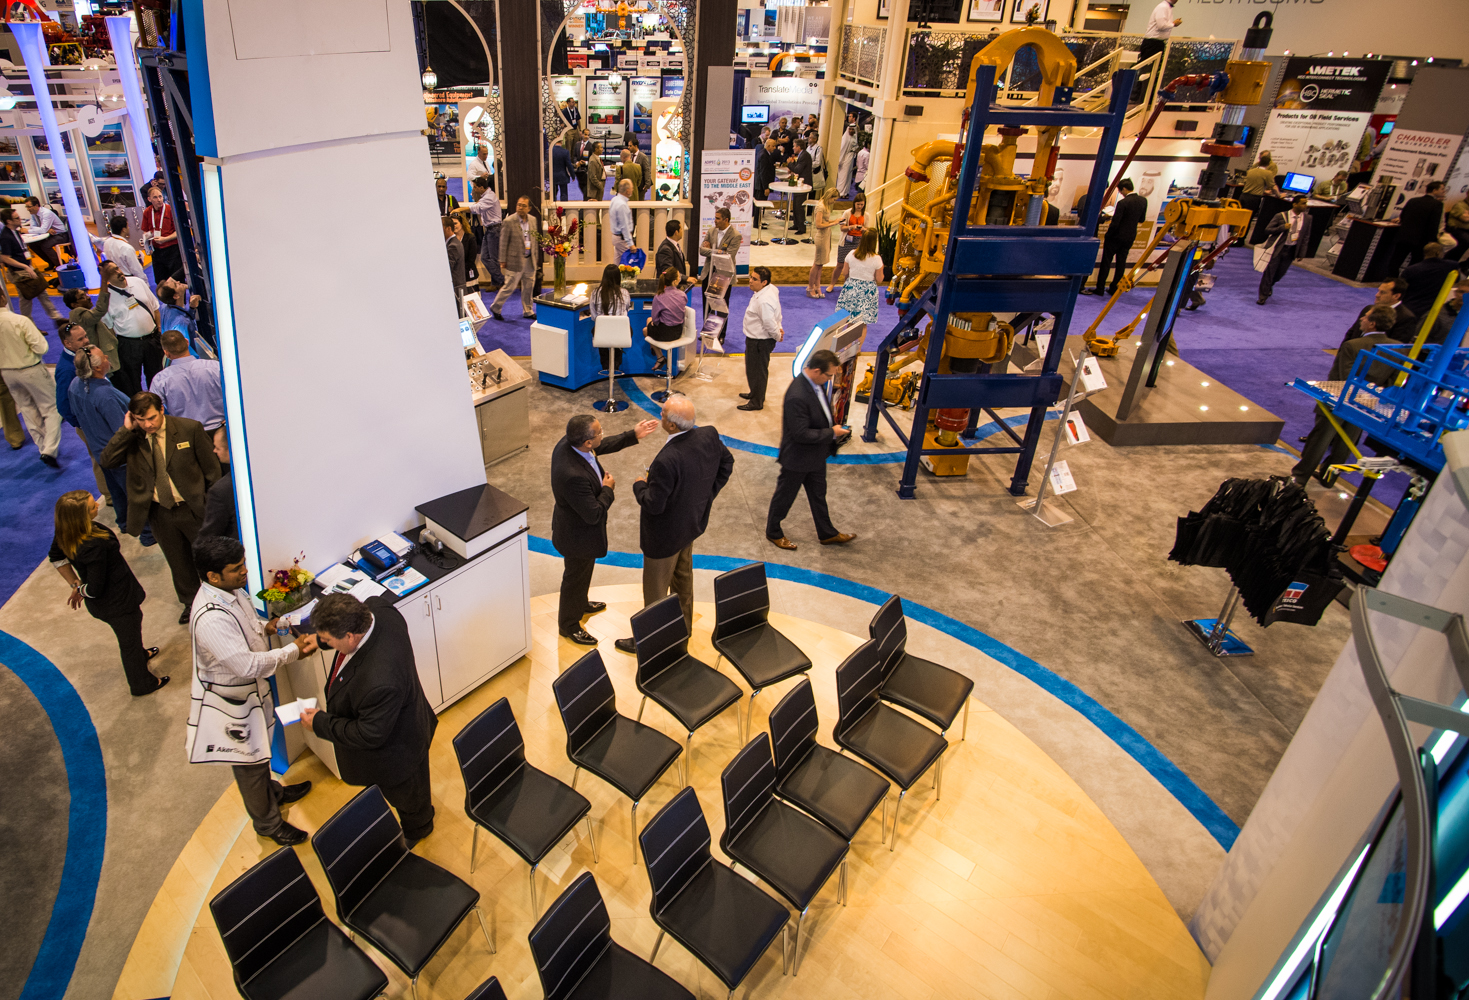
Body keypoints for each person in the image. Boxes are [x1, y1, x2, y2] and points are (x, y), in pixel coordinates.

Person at [189, 535, 317, 846]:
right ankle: (268, 824)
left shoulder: (232, 591)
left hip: (253, 695)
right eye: (236, 568)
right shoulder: (210, 619)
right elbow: (245, 665)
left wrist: (267, 627)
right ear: (213, 576)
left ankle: (273, 793)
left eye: (243, 564)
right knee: (249, 764)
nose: (245, 571)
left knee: (260, 754)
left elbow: (247, 626)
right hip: (233, 702)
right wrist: (293, 652)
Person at [300, 592, 439, 846]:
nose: (325, 643)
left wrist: (320, 723)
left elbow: (368, 733)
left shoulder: (379, 680)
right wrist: (320, 641)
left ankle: (419, 830)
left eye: (328, 640)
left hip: (398, 750)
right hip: (406, 714)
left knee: (409, 798)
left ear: (350, 636)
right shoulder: (378, 610)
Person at [613, 395, 735, 652]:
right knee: (683, 583)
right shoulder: (709, 435)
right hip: (689, 527)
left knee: (655, 594)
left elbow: (653, 504)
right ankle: (683, 631)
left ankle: (652, 645)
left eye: (663, 413)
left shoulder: (666, 460)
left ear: (671, 425)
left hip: (663, 539)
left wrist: (639, 485)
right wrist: (706, 496)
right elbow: (727, 463)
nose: (660, 415)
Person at [100, 390, 221, 623]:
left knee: (209, 557)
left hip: (194, 509)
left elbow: (212, 470)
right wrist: (126, 430)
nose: (148, 424)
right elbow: (107, 460)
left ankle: (220, 600)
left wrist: (211, 506)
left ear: (162, 410)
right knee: (178, 561)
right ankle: (191, 603)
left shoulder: (189, 429)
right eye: (141, 419)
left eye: (152, 418)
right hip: (159, 512)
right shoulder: (133, 437)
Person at [550, 412, 659, 644]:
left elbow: (601, 445)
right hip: (577, 536)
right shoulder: (572, 475)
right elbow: (594, 514)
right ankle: (569, 625)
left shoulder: (571, 443)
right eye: (600, 432)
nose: (603, 434)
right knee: (574, 578)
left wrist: (633, 435)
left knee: (582, 573)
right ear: (587, 442)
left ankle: (580, 603)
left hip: (578, 530)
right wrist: (608, 488)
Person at [50, 490, 167, 696]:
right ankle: (142, 684)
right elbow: (95, 588)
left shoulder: (65, 532)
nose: (98, 504)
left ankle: (140, 655)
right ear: (80, 517)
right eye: (92, 506)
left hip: (110, 603)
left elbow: (56, 557)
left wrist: (74, 583)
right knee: (129, 642)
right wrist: (78, 588)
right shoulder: (92, 545)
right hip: (117, 602)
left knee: (131, 634)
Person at [1292, 305, 1405, 487]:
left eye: (1365, 317)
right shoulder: (1398, 349)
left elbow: (1342, 377)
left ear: (1372, 323)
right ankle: (1329, 479)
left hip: (1339, 400)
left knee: (1320, 440)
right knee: (1346, 443)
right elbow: (1392, 382)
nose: (1361, 319)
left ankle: (1300, 478)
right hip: (1367, 404)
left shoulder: (1353, 345)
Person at [766, 349, 856, 550]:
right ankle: (773, 532)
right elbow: (800, 434)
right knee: (785, 497)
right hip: (797, 459)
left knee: (818, 495)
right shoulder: (797, 395)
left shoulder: (815, 384)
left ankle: (827, 533)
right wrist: (831, 432)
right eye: (829, 375)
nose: (830, 379)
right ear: (817, 371)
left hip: (815, 455)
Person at [69, 346, 132, 521]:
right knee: (133, 495)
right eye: (103, 357)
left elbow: (75, 414)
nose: (106, 357)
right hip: (120, 456)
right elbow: (122, 429)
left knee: (116, 492)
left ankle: (124, 522)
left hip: (100, 452)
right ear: (96, 367)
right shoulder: (106, 396)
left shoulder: (75, 384)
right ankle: (146, 530)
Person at [55, 324, 113, 500]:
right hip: (89, 423)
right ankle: (109, 495)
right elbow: (63, 405)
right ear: (67, 343)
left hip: (98, 418)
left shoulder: (83, 356)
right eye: (80, 339)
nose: (86, 340)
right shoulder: (66, 369)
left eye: (85, 336)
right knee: (100, 457)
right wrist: (83, 423)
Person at [0, 303, 63, 466]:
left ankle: (43, 448)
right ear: (3, 297)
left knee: (27, 410)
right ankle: (49, 449)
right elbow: (41, 347)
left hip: (7, 372)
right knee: (52, 408)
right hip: (30, 368)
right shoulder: (19, 320)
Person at [102, 263, 162, 397]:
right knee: (132, 380)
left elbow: (155, 308)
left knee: (157, 375)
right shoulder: (107, 297)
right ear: (106, 278)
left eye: (117, 268)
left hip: (152, 339)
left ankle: (158, 401)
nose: (118, 272)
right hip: (128, 344)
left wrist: (159, 330)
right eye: (112, 272)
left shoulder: (138, 282)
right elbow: (109, 327)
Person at [1, 208, 64, 327]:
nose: (20, 219)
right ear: (9, 221)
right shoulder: (6, 237)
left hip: (27, 268)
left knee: (42, 292)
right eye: (17, 218)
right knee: (26, 298)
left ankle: (57, 317)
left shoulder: (15, 232)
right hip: (19, 272)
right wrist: (25, 267)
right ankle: (28, 325)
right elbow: (5, 258)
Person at [150, 330, 225, 430]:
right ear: (187, 342)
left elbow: (153, 409)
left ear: (166, 353)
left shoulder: (160, 380)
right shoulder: (216, 367)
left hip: (185, 432)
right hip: (220, 430)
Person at [1087, 179, 1147, 296]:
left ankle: (1100, 288)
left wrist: (1108, 234)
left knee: (1106, 262)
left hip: (1115, 237)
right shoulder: (1143, 201)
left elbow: (1115, 223)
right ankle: (1114, 288)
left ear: (1124, 189)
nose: (1120, 193)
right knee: (1121, 263)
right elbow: (1141, 219)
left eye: (1120, 191)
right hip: (1130, 236)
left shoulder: (1123, 203)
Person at [739, 266, 782, 412]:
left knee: (757, 372)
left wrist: (777, 335)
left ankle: (757, 402)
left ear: (764, 282)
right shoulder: (770, 289)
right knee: (752, 370)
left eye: (754, 279)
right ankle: (754, 392)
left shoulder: (764, 301)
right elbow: (777, 314)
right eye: (751, 277)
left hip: (759, 342)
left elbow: (769, 322)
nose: (750, 281)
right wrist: (779, 327)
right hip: (756, 340)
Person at [1257, 195, 1314, 305]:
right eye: (1303, 203)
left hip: (1291, 250)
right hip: (1278, 249)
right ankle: (1263, 296)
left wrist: (1302, 253)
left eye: (1306, 203)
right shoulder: (1281, 216)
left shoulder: (1308, 218)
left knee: (1280, 274)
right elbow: (1268, 230)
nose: (1305, 205)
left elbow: (1306, 236)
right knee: (1269, 273)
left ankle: (1270, 285)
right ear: (1295, 204)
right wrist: (1282, 227)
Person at [490, 196, 538, 321]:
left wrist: (536, 257)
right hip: (514, 260)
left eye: (523, 205)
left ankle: (528, 310)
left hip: (530, 259)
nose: (520, 207)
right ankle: (495, 307)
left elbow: (534, 240)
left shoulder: (533, 220)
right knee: (509, 287)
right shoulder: (509, 221)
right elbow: (503, 242)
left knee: (528, 287)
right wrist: (502, 260)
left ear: (529, 208)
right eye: (518, 205)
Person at [63, 274, 119, 380]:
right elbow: (100, 309)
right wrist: (104, 281)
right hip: (104, 363)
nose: (88, 297)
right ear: (74, 305)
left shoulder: (81, 314)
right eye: (82, 297)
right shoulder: (79, 314)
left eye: (86, 294)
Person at [1390, 180, 1447, 274]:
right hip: (1420, 240)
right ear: (1434, 190)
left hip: (1404, 236)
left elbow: (1403, 217)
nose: (1444, 191)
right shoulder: (1437, 204)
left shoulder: (1413, 200)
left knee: (1395, 261)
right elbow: (1434, 224)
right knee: (1415, 263)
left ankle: (1391, 278)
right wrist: (1433, 240)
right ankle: (1406, 279)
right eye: (1442, 189)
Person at [835, 228, 886, 323]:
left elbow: (845, 272)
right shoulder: (877, 258)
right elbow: (879, 279)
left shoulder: (851, 254)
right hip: (867, 291)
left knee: (849, 320)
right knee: (862, 323)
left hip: (851, 287)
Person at [1401, 242, 1462, 317]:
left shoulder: (1410, 270)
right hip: (1434, 310)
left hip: (1410, 308)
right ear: (1438, 253)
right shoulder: (1451, 266)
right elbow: (1456, 281)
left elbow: (1401, 289)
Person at [199, 423, 237, 539]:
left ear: (230, 449)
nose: (214, 451)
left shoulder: (220, 491)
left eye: (218, 448)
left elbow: (210, 535)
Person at [646, 266, 688, 368]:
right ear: (674, 281)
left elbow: (655, 319)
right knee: (649, 321)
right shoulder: (682, 295)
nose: (680, 278)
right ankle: (656, 352)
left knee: (645, 329)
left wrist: (656, 322)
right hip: (678, 331)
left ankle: (659, 356)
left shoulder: (659, 296)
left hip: (665, 333)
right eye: (679, 276)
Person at [141, 186, 182, 283]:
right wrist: (147, 245)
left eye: (160, 196)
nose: (159, 200)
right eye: (155, 197)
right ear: (149, 199)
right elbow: (146, 231)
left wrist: (165, 239)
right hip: (157, 251)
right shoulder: (147, 212)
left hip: (172, 250)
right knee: (160, 280)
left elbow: (179, 232)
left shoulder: (170, 210)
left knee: (176, 280)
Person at [829, 191, 868, 292]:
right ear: (854, 203)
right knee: (840, 264)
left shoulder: (866, 215)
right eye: (858, 204)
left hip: (859, 241)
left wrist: (863, 229)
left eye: (862, 205)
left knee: (854, 265)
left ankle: (847, 286)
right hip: (846, 241)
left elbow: (868, 229)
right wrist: (851, 227)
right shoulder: (847, 213)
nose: (860, 206)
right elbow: (842, 228)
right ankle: (832, 284)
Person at [1138, 0, 1180, 89]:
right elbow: (1161, 25)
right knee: (1146, 71)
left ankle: (1146, 94)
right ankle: (1140, 94)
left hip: (1157, 43)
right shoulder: (1163, 7)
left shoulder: (1167, 7)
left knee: (1152, 71)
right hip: (1152, 43)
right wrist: (1173, 24)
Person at [808, 188, 842, 297]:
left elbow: (825, 221)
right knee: (817, 264)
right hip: (821, 237)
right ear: (830, 197)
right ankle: (810, 288)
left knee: (820, 264)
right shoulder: (821, 207)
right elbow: (818, 225)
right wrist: (833, 223)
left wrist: (836, 221)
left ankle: (817, 287)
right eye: (834, 199)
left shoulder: (825, 206)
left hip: (826, 236)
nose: (834, 202)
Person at [700, 207, 741, 293]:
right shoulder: (711, 231)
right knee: (706, 300)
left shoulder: (735, 235)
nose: (715, 221)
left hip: (724, 275)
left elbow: (729, 255)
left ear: (726, 220)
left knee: (721, 301)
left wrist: (710, 250)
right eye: (715, 218)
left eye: (718, 218)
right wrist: (718, 251)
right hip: (708, 272)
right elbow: (702, 250)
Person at [24, 194, 68, 270]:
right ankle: (51, 262)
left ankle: (60, 264)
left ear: (36, 205)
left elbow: (41, 229)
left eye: (29, 207)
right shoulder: (33, 214)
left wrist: (28, 231)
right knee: (33, 244)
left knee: (45, 245)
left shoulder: (46, 213)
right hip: (49, 234)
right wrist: (46, 230)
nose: (27, 209)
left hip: (61, 235)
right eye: (26, 207)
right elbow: (33, 227)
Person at [101, 215, 146, 282]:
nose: (129, 228)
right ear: (123, 229)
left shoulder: (107, 242)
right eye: (128, 226)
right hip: (128, 279)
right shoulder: (126, 248)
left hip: (113, 278)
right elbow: (136, 270)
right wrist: (145, 283)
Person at [1239, 153, 1280, 224]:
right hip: (1253, 199)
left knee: (1238, 217)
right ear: (1269, 164)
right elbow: (1273, 187)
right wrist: (1279, 195)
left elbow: (1246, 182)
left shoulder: (1250, 171)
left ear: (1259, 162)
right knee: (1247, 220)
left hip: (1243, 196)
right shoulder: (1268, 173)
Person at [786, 138, 813, 236]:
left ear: (798, 147)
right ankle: (796, 224)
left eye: (794, 146)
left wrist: (789, 164)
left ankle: (802, 227)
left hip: (804, 185)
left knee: (799, 207)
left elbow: (798, 169)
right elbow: (797, 168)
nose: (793, 148)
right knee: (796, 206)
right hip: (799, 184)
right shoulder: (802, 155)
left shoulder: (804, 155)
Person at [754, 138, 778, 233]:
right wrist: (766, 187)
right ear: (768, 146)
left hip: (761, 185)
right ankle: (757, 223)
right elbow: (763, 173)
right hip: (761, 186)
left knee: (761, 205)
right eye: (773, 146)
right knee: (760, 204)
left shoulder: (764, 153)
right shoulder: (764, 155)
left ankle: (759, 221)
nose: (775, 148)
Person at [443, 215, 465, 316]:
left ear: (448, 228)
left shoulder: (453, 246)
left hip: (455, 290)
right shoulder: (454, 243)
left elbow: (447, 269)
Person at [655, 218, 689, 284]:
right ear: (676, 232)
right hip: (669, 286)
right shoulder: (666, 248)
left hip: (676, 285)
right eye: (681, 229)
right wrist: (685, 278)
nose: (682, 231)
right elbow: (668, 270)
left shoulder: (674, 245)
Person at [609, 179, 635, 259]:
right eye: (632, 188)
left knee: (618, 263)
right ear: (627, 190)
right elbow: (624, 226)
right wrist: (631, 244)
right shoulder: (622, 205)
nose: (633, 190)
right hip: (622, 239)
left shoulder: (614, 200)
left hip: (617, 237)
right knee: (630, 263)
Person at [627, 135, 653, 201]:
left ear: (635, 146)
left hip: (641, 186)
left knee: (639, 202)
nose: (628, 147)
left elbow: (646, 170)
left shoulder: (643, 157)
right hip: (632, 185)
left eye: (630, 146)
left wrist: (647, 183)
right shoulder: (629, 156)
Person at [1446, 192, 1469, 262]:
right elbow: (1465, 218)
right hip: (1456, 229)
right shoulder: (1460, 205)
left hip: (1466, 230)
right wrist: (1466, 216)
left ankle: (1465, 264)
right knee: (1466, 241)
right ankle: (1449, 260)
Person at [836, 124, 857, 199]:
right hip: (845, 159)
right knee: (843, 176)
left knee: (848, 176)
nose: (851, 131)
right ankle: (840, 192)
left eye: (852, 129)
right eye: (850, 129)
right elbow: (842, 150)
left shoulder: (854, 137)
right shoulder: (845, 138)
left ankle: (845, 192)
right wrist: (840, 161)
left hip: (851, 158)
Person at [552, 134, 574, 202]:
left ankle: (553, 207)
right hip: (563, 176)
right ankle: (563, 208)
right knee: (564, 194)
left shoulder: (550, 151)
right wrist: (573, 175)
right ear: (561, 141)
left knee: (553, 195)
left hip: (552, 176)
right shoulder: (565, 152)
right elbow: (569, 165)